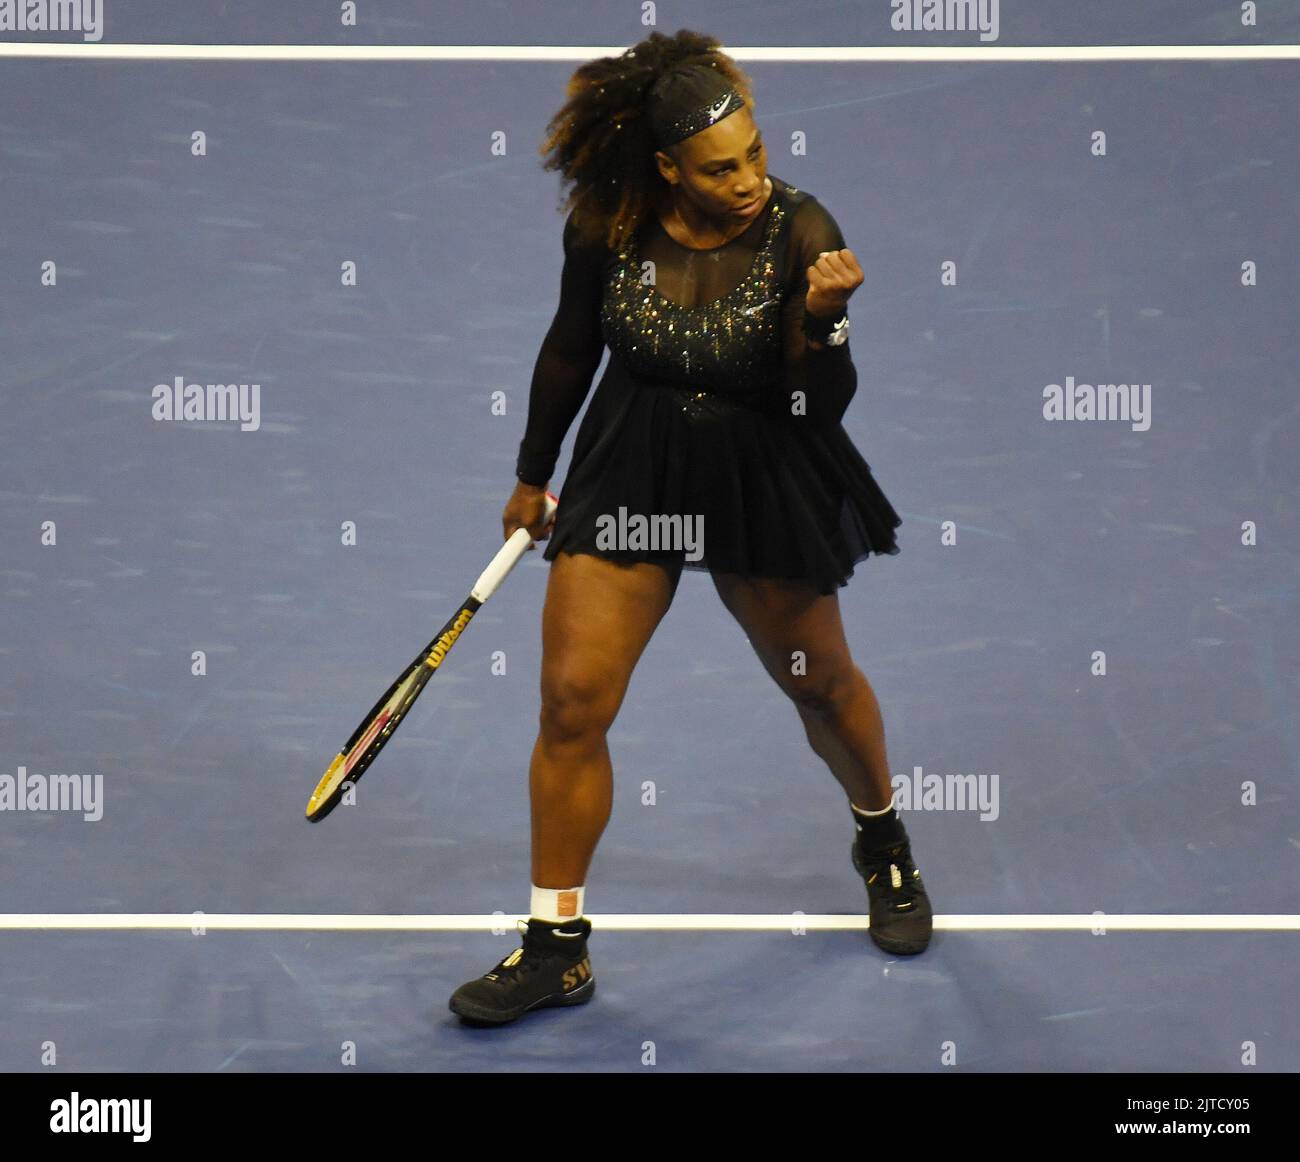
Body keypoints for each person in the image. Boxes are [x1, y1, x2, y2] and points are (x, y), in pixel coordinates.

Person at [449, 28, 932, 1026]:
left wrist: (829, 320)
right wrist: (531, 475)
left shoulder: (802, 232)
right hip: (633, 461)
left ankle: (880, 839)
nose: (750, 178)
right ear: (669, 168)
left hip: (760, 466)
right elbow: (569, 349)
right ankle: (555, 947)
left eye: (755, 154)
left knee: (820, 686)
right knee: (572, 701)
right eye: (722, 167)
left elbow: (817, 404)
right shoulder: (607, 222)